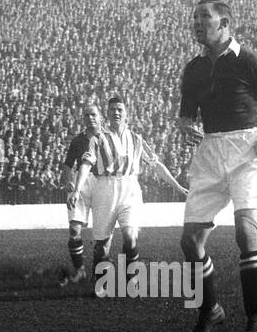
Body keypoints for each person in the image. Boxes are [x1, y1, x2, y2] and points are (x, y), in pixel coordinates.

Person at [176, 0, 257, 332]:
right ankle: (210, 309)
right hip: (211, 150)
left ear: (224, 23)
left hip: (249, 148)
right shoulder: (193, 68)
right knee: (190, 241)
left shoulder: (249, 60)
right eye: (194, 17)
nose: (196, 23)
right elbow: (185, 115)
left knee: (245, 230)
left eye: (203, 17)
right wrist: (184, 127)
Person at [69, 94, 187, 277]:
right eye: (112, 110)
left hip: (130, 188)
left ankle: (130, 277)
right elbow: (86, 164)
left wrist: (177, 186)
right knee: (102, 245)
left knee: (130, 237)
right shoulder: (97, 139)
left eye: (120, 110)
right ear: (106, 115)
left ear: (126, 114)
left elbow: (156, 165)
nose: (116, 113)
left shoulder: (136, 139)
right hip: (105, 189)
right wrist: (76, 189)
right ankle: (102, 277)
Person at [59, 101, 102, 286]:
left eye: (93, 114)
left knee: (102, 234)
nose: (90, 118)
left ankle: (99, 273)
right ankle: (80, 271)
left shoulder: (107, 138)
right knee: (74, 230)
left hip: (103, 184)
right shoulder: (77, 140)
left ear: (100, 117)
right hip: (80, 184)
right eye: (86, 115)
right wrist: (68, 180)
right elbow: (68, 165)